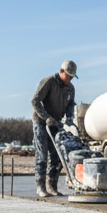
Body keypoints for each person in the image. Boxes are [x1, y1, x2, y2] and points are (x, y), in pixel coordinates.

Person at [30, 59, 77, 198]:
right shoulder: (49, 82)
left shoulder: (70, 88)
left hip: (55, 123)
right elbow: (35, 100)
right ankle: (41, 187)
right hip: (41, 122)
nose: (69, 79)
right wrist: (46, 117)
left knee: (57, 156)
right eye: (68, 76)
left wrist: (70, 118)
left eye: (71, 77)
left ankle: (52, 186)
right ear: (61, 71)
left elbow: (70, 105)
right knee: (42, 155)